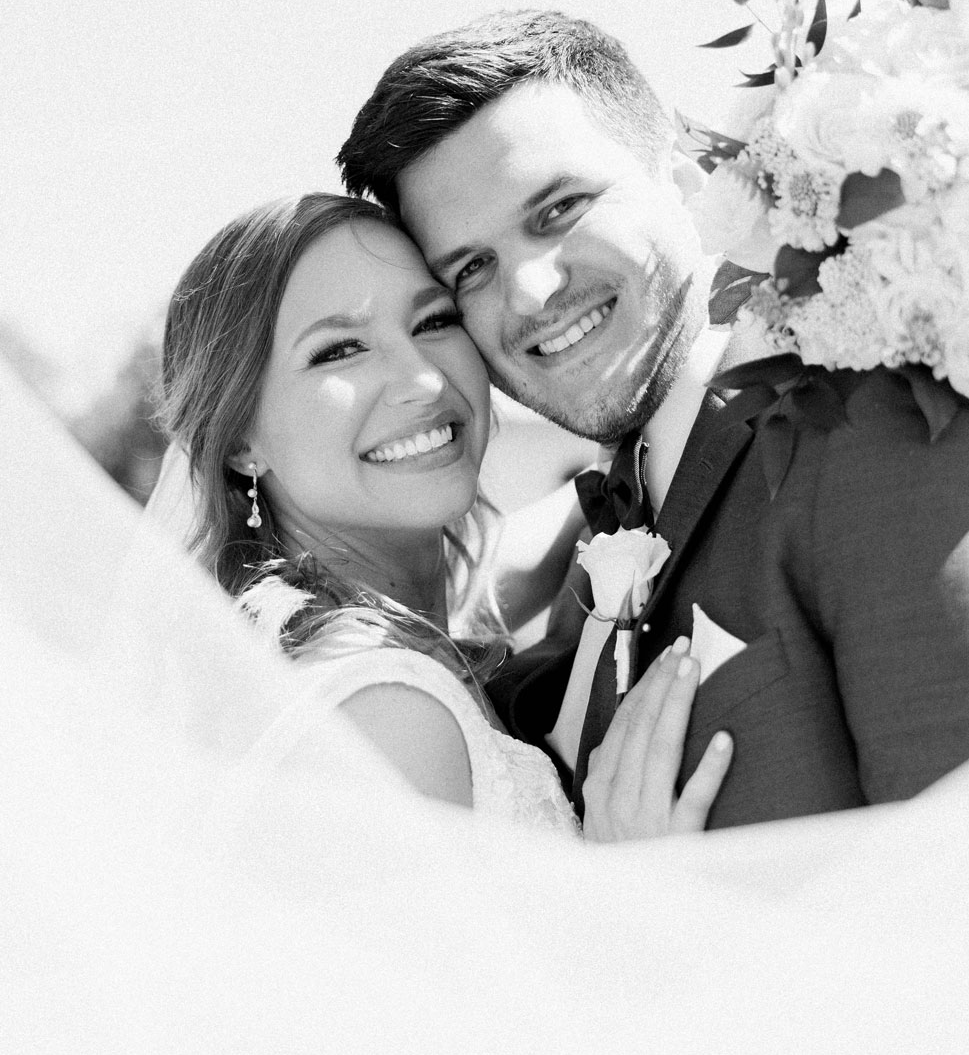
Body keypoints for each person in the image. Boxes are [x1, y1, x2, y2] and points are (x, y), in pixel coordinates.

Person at [335, 10, 969, 828]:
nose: (531, 294)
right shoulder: (586, 562)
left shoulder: (872, 429)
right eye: (471, 269)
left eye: (557, 209)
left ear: (687, 180)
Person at [159, 191, 733, 838]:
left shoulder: (387, 634)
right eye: (339, 349)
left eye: (433, 321)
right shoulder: (381, 711)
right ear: (238, 440)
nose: (424, 380)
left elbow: (539, 543)